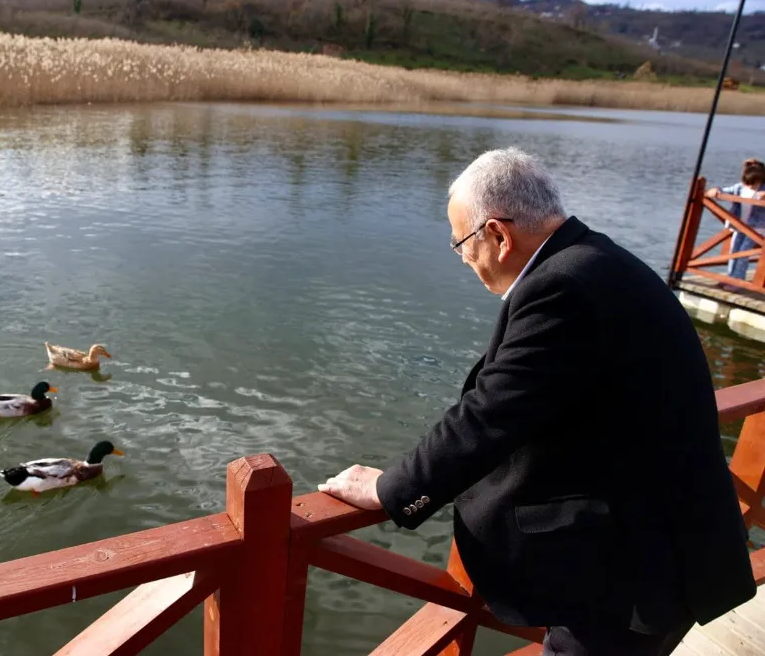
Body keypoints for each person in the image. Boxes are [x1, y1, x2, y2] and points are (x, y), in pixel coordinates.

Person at [318, 147, 756, 656]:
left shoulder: (561, 289)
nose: (463, 258)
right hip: (666, 547)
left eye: (462, 243)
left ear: (499, 236)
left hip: (631, 577)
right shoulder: (598, 260)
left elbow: (489, 413)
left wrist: (391, 489)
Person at [706, 158, 765, 284]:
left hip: (756, 228)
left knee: (743, 253)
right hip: (739, 225)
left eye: (753, 184)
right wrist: (715, 191)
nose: (750, 186)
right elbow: (723, 191)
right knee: (734, 251)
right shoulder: (740, 187)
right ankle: (730, 277)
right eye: (747, 183)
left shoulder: (763, 190)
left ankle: (738, 281)